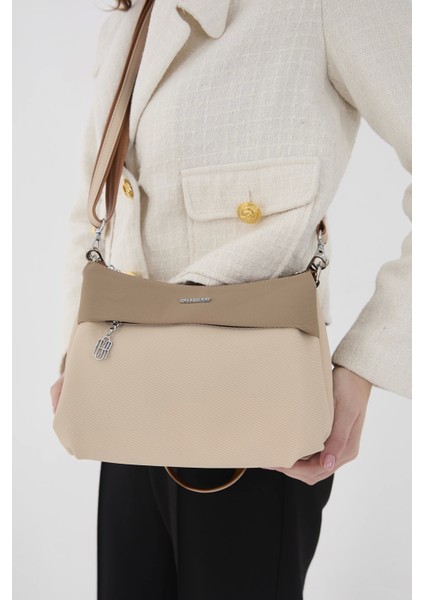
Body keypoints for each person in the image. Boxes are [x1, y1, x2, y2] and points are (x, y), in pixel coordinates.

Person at [50, 0, 411, 598]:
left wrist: (366, 363)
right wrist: (76, 351)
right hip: (124, 411)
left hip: (261, 425)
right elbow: (92, 207)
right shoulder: (131, 17)